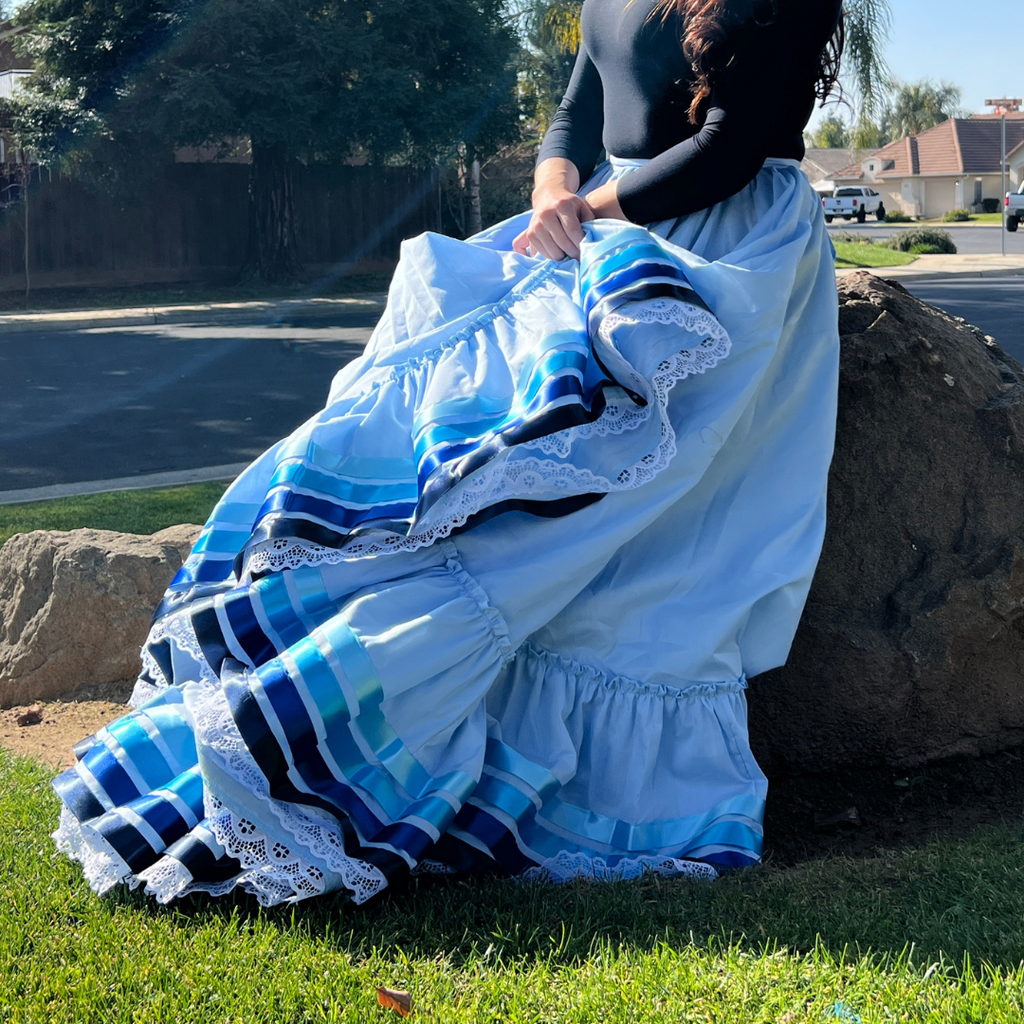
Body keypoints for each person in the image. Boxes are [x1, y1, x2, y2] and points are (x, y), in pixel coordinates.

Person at [52, 0, 845, 905]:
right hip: (604, 228)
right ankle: (321, 716)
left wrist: (579, 208)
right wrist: (554, 194)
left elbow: (729, 152)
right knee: (457, 482)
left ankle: (570, 793)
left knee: (655, 552)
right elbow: (575, 115)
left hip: (724, 254)